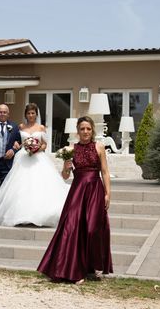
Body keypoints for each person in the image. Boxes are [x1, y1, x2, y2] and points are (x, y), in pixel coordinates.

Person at [37, 116, 113, 283]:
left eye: (88, 129)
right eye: (82, 129)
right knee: (71, 228)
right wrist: (66, 167)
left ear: (92, 130)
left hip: (94, 190)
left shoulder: (99, 147)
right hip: (77, 191)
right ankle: (70, 269)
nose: (85, 132)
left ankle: (92, 267)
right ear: (77, 131)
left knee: (93, 229)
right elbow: (64, 176)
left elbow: (105, 172)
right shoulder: (70, 149)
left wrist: (108, 193)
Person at [0, 103, 69, 227]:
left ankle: (39, 213)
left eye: (33, 113)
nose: (31, 115)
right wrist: (18, 145)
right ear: (25, 115)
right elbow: (16, 141)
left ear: (36, 114)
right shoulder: (20, 127)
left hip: (38, 158)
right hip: (23, 157)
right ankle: (19, 214)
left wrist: (37, 149)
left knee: (38, 186)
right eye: (28, 113)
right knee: (19, 186)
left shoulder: (41, 127)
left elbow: (45, 144)